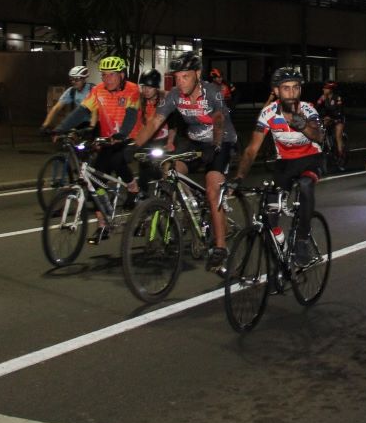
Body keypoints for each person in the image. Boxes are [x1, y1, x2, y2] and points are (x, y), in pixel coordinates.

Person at [132, 52, 237, 273]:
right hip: (195, 141)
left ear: (197, 74)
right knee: (168, 170)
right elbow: (154, 122)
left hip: (221, 141)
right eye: (177, 77)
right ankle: (192, 210)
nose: (180, 82)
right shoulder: (174, 95)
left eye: (185, 76)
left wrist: (216, 145)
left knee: (212, 187)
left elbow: (218, 120)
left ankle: (220, 248)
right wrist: (132, 147)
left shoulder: (212, 91)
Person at [235, 66, 324, 267]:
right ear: (276, 91)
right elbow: (251, 149)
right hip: (285, 163)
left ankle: (302, 241)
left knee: (305, 185)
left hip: (311, 159)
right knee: (269, 213)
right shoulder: (268, 113)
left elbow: (319, 136)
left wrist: (304, 126)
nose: (292, 93)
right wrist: (238, 177)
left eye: (295, 88)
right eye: (286, 88)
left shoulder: (308, 109)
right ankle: (281, 249)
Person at [56, 55, 141, 243]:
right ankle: (102, 225)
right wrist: (60, 128)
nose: (107, 79)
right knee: (94, 181)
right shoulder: (98, 90)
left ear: (121, 75)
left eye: (111, 75)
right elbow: (82, 111)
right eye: (103, 75)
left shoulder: (132, 89)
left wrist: (122, 135)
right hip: (107, 139)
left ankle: (133, 186)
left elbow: (131, 114)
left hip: (130, 138)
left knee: (117, 160)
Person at [40, 65, 94, 132]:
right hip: (80, 123)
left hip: (94, 124)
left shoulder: (92, 89)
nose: (73, 82)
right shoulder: (72, 91)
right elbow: (56, 108)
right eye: (72, 79)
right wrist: (45, 125)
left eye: (77, 79)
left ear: (84, 79)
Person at [315, 80, 347, 166]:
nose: (323, 90)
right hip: (328, 118)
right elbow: (316, 108)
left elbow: (340, 110)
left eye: (325, 88)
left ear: (330, 90)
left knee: (338, 136)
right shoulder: (323, 97)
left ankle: (341, 155)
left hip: (338, 119)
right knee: (321, 128)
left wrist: (333, 117)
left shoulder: (337, 98)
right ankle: (325, 144)